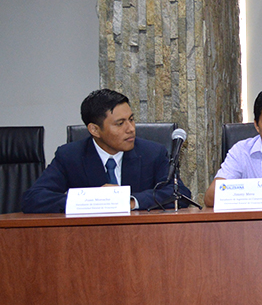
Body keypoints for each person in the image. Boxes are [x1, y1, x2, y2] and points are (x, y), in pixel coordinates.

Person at [21, 89, 190, 213]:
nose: (131, 129)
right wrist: (92, 200)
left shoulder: (152, 153)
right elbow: (33, 199)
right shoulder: (70, 156)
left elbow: (179, 194)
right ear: (94, 130)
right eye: (120, 123)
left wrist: (130, 201)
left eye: (131, 119)